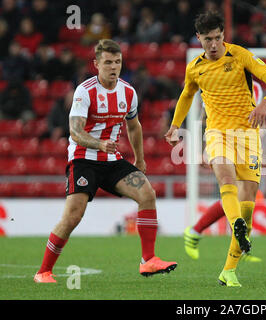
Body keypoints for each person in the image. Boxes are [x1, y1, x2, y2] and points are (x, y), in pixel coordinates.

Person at [34, 39, 177, 283]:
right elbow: (75, 132)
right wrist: (99, 143)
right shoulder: (85, 91)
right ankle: (44, 271)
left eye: (118, 62)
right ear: (96, 64)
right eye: (108, 62)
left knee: (147, 194)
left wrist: (139, 159)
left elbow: (134, 127)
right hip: (83, 159)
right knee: (72, 217)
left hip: (112, 160)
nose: (113, 67)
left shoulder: (128, 92)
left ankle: (148, 260)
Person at [164, 12, 266, 287]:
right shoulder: (194, 67)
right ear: (199, 39)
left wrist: (265, 104)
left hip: (249, 136)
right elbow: (186, 95)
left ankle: (228, 270)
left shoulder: (240, 55)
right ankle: (236, 226)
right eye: (208, 39)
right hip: (217, 133)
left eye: (218, 38)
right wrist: (174, 125)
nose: (214, 44)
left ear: (223, 36)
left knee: (248, 207)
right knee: (226, 182)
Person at [183, 81, 265, 264]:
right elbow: (204, 116)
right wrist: (203, 148)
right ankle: (238, 247)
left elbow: (259, 117)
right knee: (234, 193)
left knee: (241, 197)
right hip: (221, 141)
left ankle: (196, 231)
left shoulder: (257, 88)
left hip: (246, 144)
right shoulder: (219, 82)